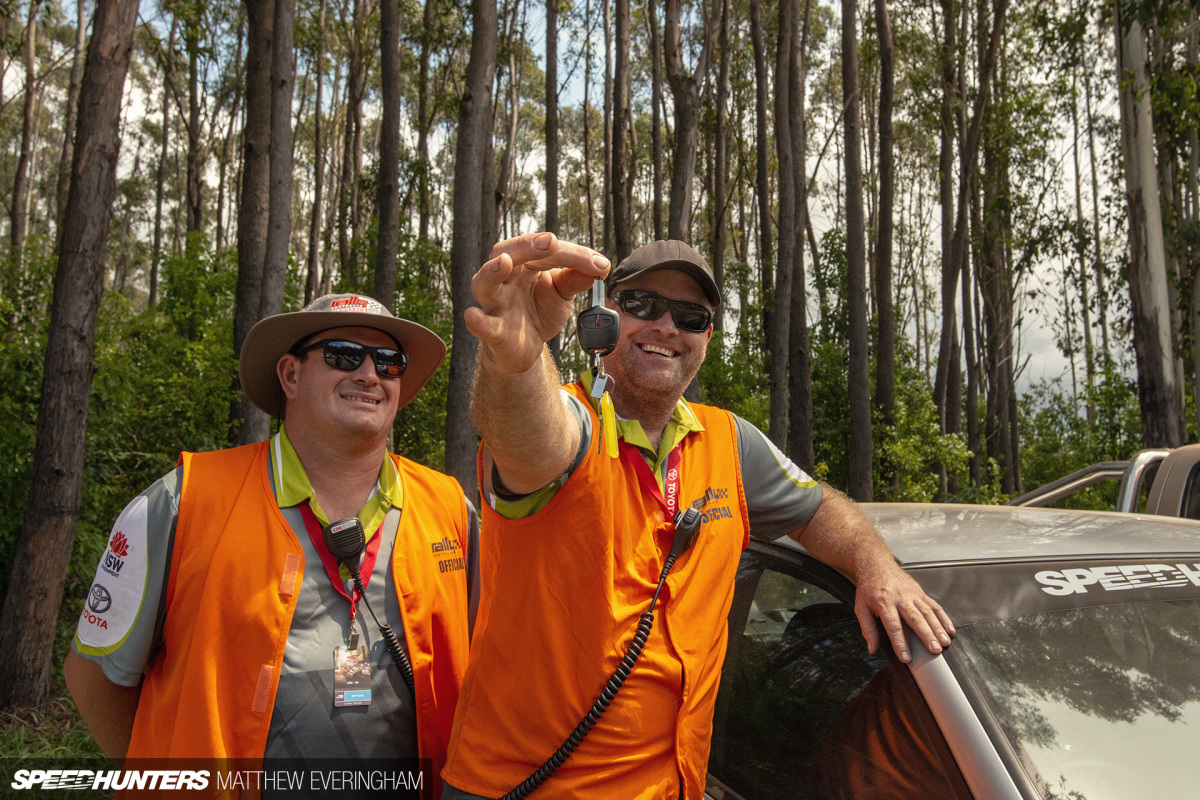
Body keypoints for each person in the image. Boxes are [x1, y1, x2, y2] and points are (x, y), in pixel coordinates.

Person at [439, 234, 954, 800]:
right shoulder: (572, 421)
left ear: (707, 338)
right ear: (604, 317)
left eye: (690, 316)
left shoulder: (730, 441)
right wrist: (519, 361)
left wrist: (876, 565)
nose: (665, 327)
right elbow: (527, 436)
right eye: (642, 306)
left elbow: (819, 508)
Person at [64, 293, 478, 797]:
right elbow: (94, 677)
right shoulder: (183, 501)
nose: (371, 374)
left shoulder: (451, 508)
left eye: (390, 362)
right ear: (291, 375)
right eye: (344, 354)